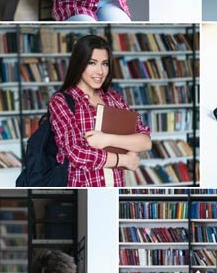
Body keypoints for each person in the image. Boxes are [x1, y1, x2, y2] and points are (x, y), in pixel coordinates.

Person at [49, 33, 151, 188]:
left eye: (105, 63)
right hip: (83, 191)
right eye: (92, 63)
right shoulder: (62, 101)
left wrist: (107, 139)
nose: (100, 71)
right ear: (79, 63)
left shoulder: (114, 98)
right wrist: (124, 160)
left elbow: (145, 141)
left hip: (115, 189)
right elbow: (76, 152)